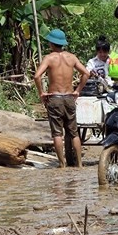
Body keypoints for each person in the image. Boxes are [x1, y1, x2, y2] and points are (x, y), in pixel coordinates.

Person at [34, 29, 90, 168]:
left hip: (55, 98)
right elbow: (86, 73)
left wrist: (42, 93)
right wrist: (77, 90)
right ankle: (80, 164)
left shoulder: (49, 58)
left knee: (57, 133)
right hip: (69, 98)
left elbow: (37, 76)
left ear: (52, 44)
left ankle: (62, 164)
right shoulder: (71, 57)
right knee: (74, 132)